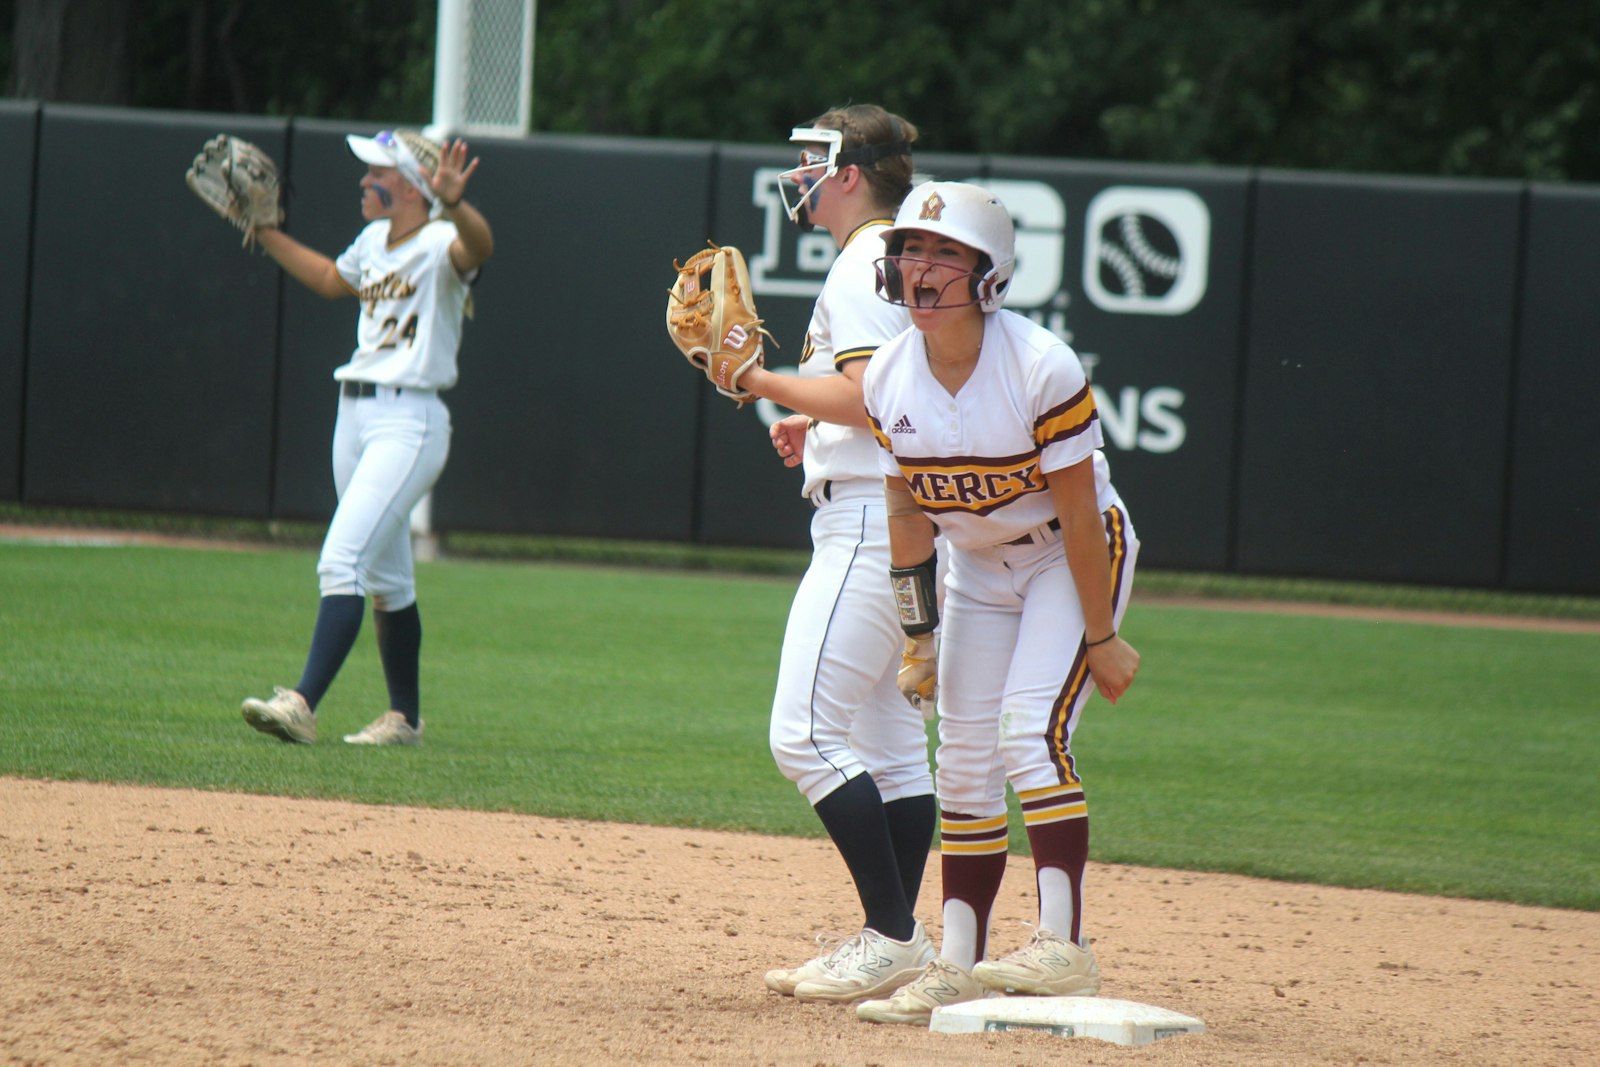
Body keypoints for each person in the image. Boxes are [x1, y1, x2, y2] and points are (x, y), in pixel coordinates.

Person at [852, 181, 1142, 1025]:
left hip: (1066, 554)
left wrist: (1102, 634)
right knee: (964, 760)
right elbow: (907, 513)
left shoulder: (1039, 365)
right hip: (978, 568)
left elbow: (1083, 518)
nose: (921, 267)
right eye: (910, 250)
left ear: (989, 276)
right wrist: (918, 637)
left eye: (946, 253)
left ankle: (1063, 946)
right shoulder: (888, 380)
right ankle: (957, 960)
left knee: (1028, 732)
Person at [729, 105, 939, 1004]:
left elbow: (869, 393)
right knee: (893, 750)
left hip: (865, 523)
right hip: (898, 513)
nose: (800, 175)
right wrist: (813, 422)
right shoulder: (899, 258)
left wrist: (758, 380)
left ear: (851, 171)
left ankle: (893, 935)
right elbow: (893, 391)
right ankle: (890, 938)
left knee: (804, 733)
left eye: (813, 159)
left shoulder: (862, 261)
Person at [239, 128, 494, 747]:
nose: (363, 181)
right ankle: (403, 718)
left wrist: (455, 202)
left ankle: (302, 704)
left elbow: (479, 246)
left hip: (409, 422)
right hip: (353, 417)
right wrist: (265, 232)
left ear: (409, 184)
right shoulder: (375, 239)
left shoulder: (440, 242)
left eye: (375, 171)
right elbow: (331, 279)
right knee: (388, 580)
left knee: (341, 558)